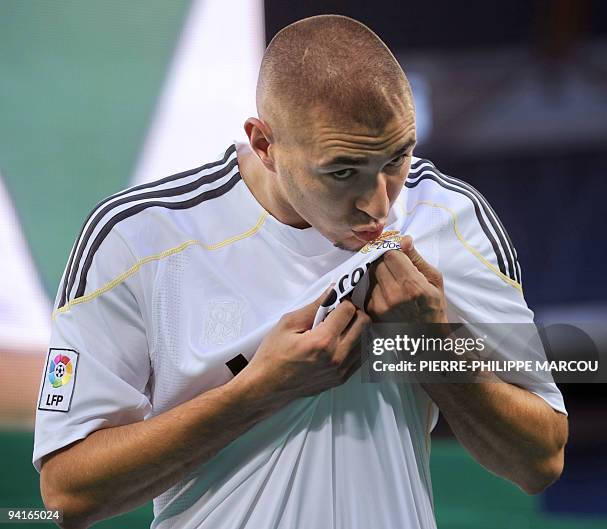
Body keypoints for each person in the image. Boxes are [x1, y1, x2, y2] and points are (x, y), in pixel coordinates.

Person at [33, 14, 568, 529]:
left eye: (396, 160)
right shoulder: (139, 237)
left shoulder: (450, 217)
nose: (378, 205)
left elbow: (540, 460)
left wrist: (431, 346)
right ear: (265, 144)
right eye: (342, 172)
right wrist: (261, 391)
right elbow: (67, 495)